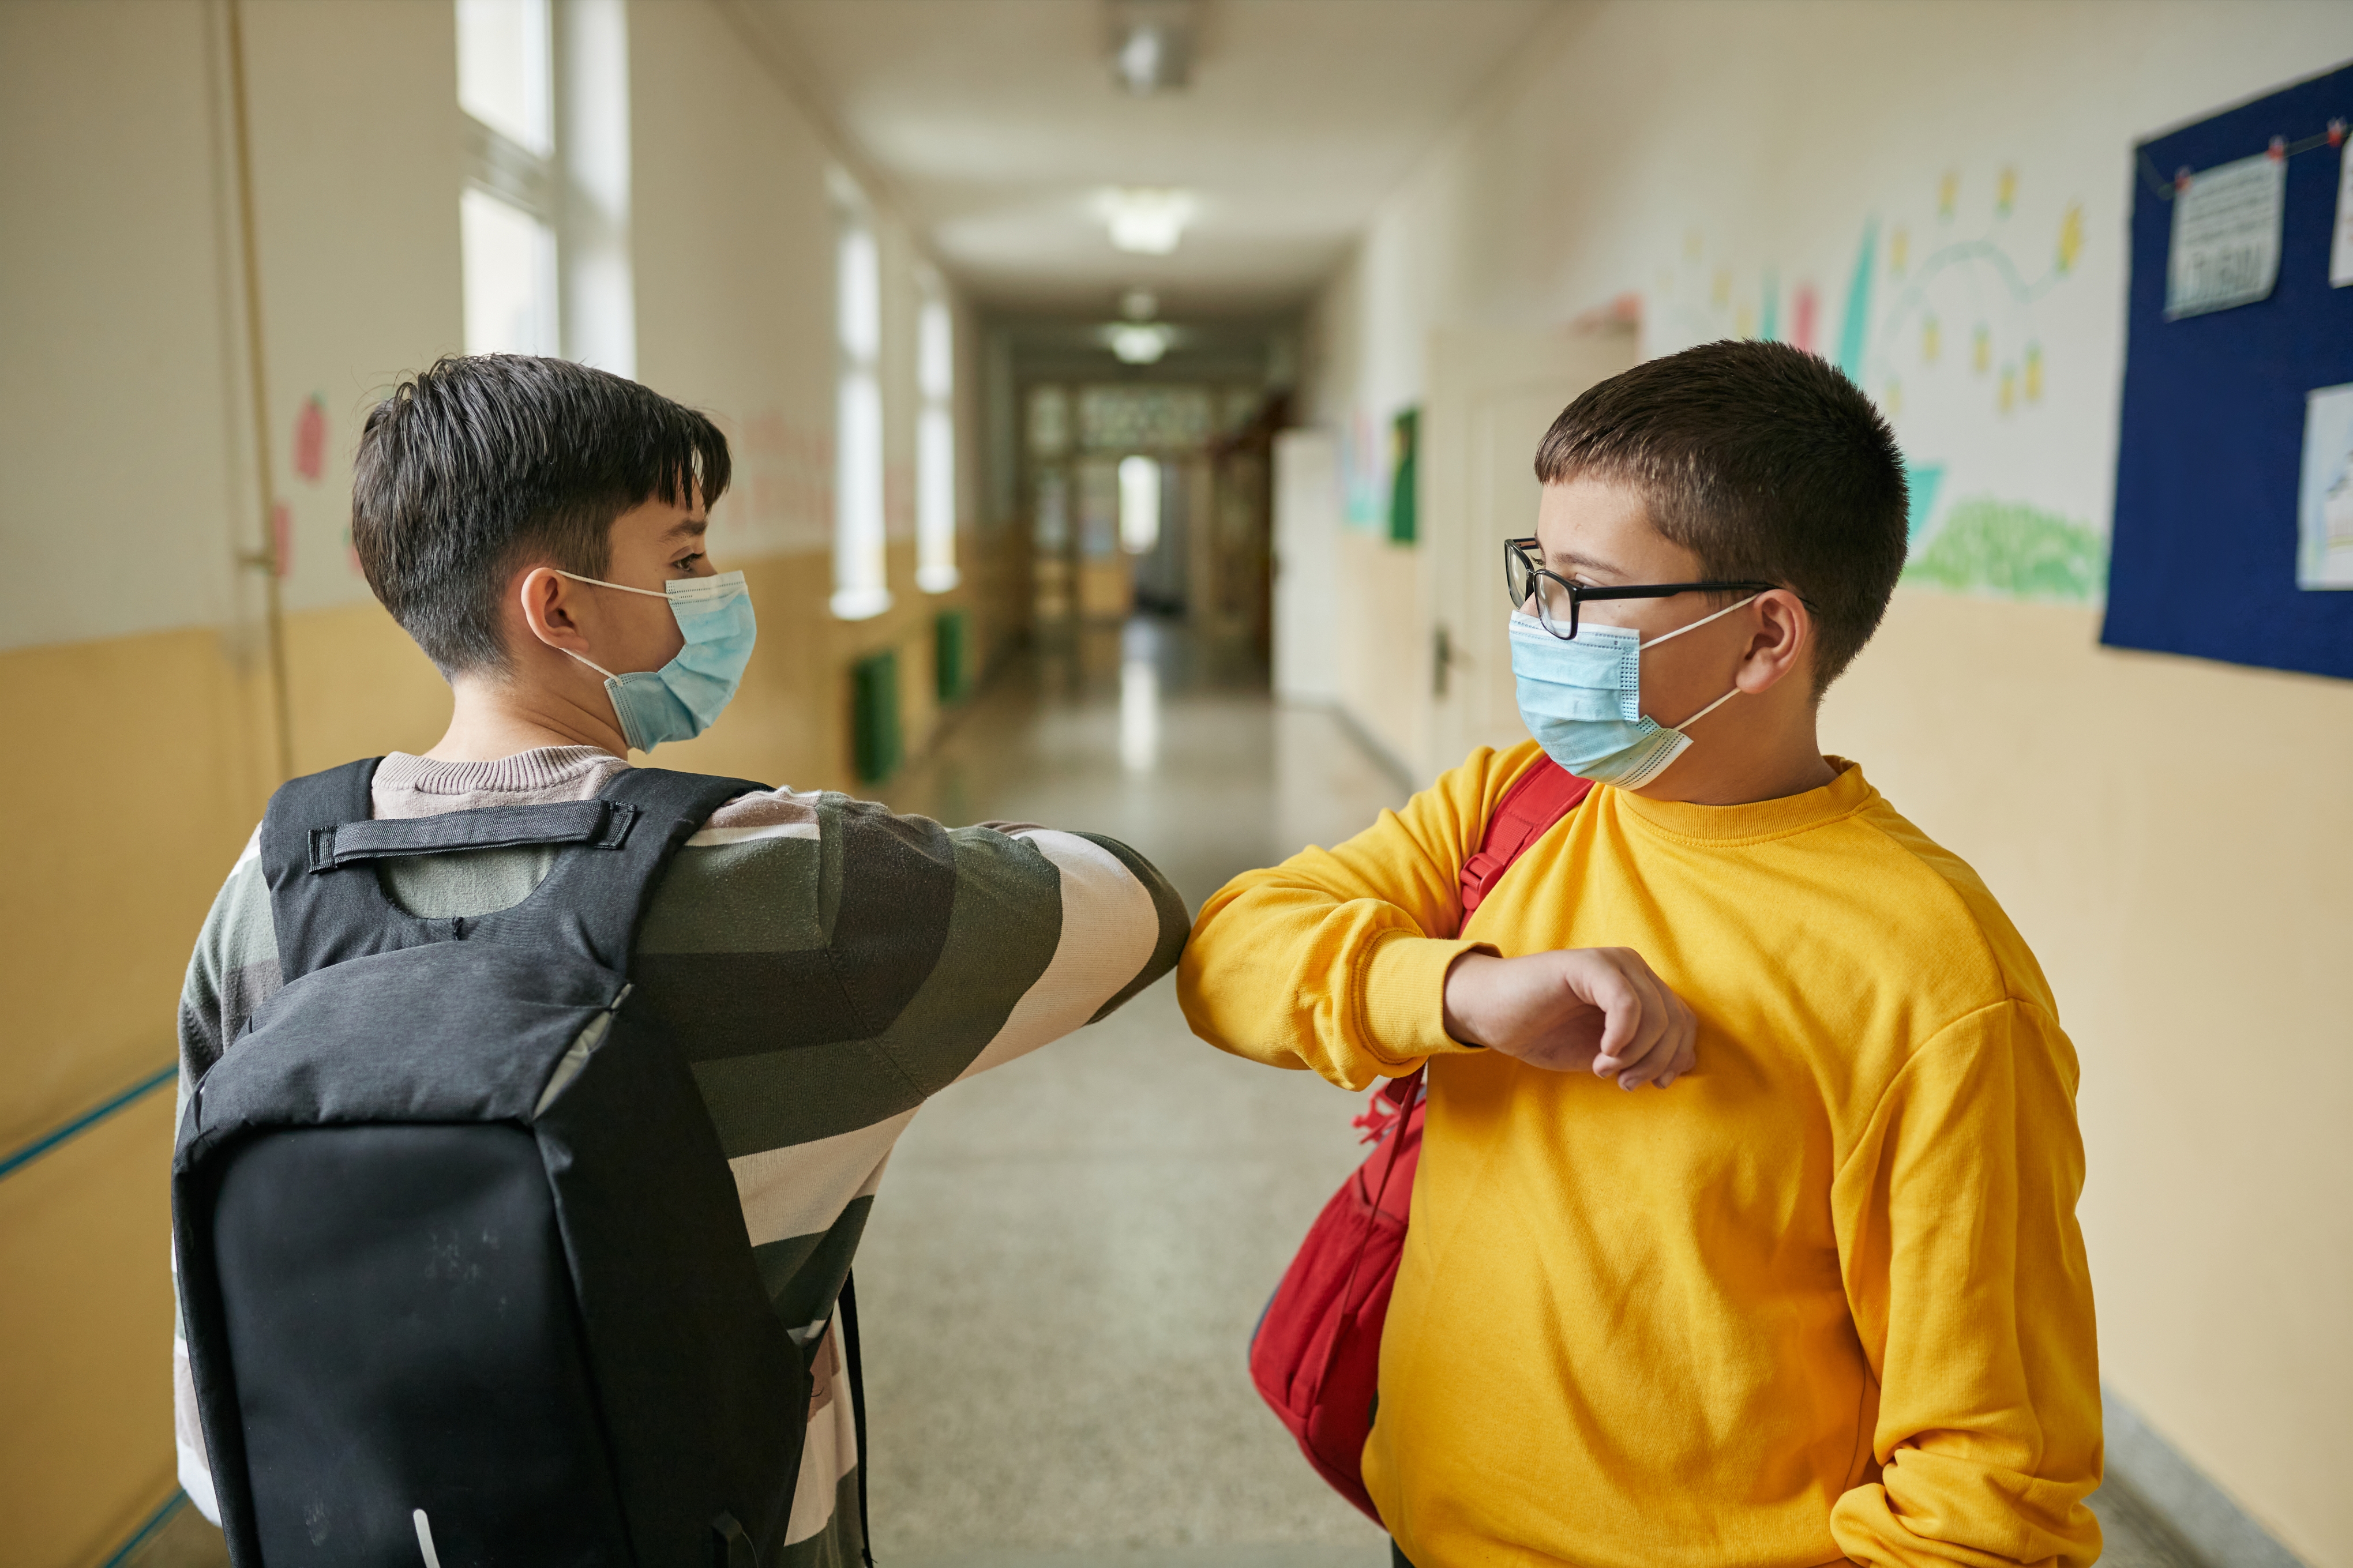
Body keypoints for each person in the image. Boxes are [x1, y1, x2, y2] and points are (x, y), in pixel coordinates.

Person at [171, 354, 1188, 1564]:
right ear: (559, 609)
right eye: (686, 558)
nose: (716, 591)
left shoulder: (265, 891)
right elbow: (1132, 905)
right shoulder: (783, 879)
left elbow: (211, 1420)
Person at [1179, 340, 2100, 1567]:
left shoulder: (1933, 977)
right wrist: (1461, 988)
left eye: (1582, 585)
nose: (1531, 621)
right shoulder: (1520, 803)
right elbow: (1227, 956)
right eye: (1533, 571)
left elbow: (1991, 1482)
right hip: (1425, 1529)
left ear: (1766, 636)